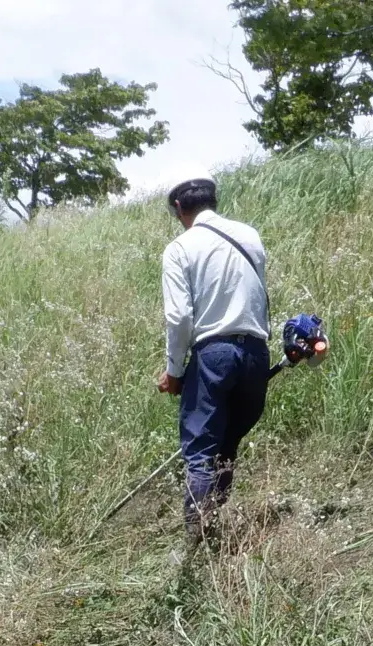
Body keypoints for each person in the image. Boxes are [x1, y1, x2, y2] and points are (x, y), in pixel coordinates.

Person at [157, 171, 271, 555]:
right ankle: (213, 534)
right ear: (213, 200)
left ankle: (195, 549)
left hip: (214, 356)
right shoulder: (250, 236)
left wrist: (174, 371)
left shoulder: (180, 248)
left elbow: (179, 318)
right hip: (256, 353)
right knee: (226, 449)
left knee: (202, 455)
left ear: (178, 208)